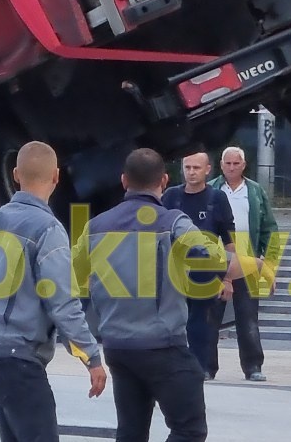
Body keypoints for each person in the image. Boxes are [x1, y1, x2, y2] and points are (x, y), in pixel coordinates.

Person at [0, 140, 108, 442]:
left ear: (15, 173)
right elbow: (63, 302)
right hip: (20, 360)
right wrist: (91, 357)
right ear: (56, 176)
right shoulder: (48, 230)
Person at [77, 148, 214, 442]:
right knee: (189, 430)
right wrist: (253, 265)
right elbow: (209, 257)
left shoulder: (95, 227)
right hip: (162, 345)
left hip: (118, 347)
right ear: (164, 180)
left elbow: (72, 284)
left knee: (131, 432)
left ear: (124, 180)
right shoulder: (172, 222)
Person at [163, 152, 237, 382]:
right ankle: (172, 366)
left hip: (205, 271)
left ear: (207, 170)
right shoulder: (171, 197)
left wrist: (228, 279)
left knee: (201, 323)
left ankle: (200, 367)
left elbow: (229, 241)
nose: (191, 172)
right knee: (171, 323)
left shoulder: (217, 198)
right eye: (187, 167)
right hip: (174, 272)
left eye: (196, 167)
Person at [216, 146, 277, 382]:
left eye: (236, 163)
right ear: (221, 165)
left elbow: (270, 228)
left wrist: (269, 263)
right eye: (228, 163)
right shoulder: (213, 189)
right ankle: (207, 366)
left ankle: (253, 366)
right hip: (219, 256)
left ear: (244, 165)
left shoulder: (255, 191)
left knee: (248, 317)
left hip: (248, 255)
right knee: (211, 316)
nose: (231, 168)